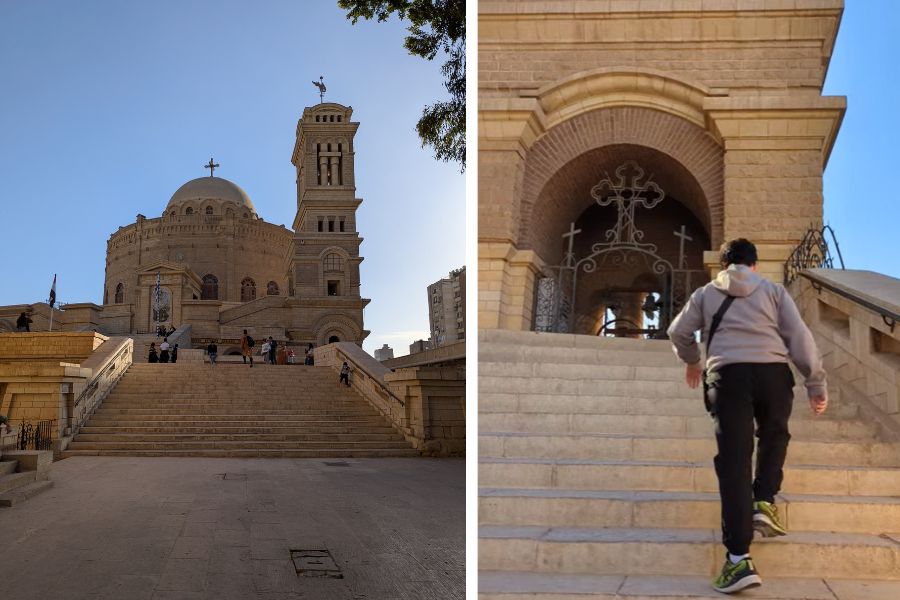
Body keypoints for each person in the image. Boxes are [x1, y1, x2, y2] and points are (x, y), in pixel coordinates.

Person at [667, 238, 827, 594]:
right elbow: (798, 336)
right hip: (773, 373)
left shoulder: (706, 293)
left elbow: (678, 331)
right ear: (754, 265)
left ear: (724, 265)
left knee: (735, 461)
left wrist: (693, 361)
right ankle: (764, 501)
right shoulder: (773, 291)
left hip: (728, 376)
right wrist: (816, 383)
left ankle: (739, 560)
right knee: (775, 435)